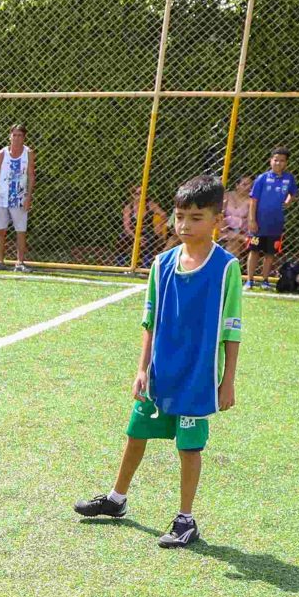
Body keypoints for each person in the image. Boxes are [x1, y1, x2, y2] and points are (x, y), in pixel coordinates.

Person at [72, 172, 242, 550]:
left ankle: (186, 519)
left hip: (198, 376)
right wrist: (141, 368)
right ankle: (116, 499)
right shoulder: (162, 264)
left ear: (216, 219)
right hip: (160, 371)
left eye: (196, 217)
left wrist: (227, 380)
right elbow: (150, 320)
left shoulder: (226, 267)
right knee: (136, 434)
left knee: (189, 447)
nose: (185, 225)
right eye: (180, 216)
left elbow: (232, 328)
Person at [247, 146, 298, 287]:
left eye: (282, 161)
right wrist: (252, 220)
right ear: (271, 161)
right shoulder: (262, 178)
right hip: (259, 223)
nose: (278, 163)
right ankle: (250, 280)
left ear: (286, 163)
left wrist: (288, 200)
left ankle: (265, 280)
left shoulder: (289, 178)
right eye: (276, 160)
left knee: (270, 253)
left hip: (276, 223)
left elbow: (293, 193)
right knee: (254, 251)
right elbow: (253, 200)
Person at [0, 124, 35, 270]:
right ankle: (0, 261)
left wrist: (29, 196)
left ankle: (20, 263)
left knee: (21, 230)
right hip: (2, 197)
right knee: (0, 230)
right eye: (14, 135)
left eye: (20, 135)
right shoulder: (2, 153)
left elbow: (31, 175)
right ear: (10, 136)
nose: (16, 138)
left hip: (20, 198)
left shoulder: (28, 153)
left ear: (24, 137)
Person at [221, 175, 256, 256]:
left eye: (250, 186)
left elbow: (250, 221)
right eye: (244, 184)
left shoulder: (251, 201)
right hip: (223, 229)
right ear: (237, 185)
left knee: (233, 247)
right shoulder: (227, 196)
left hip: (240, 231)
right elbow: (220, 214)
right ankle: (242, 238)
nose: (248, 188)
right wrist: (224, 228)